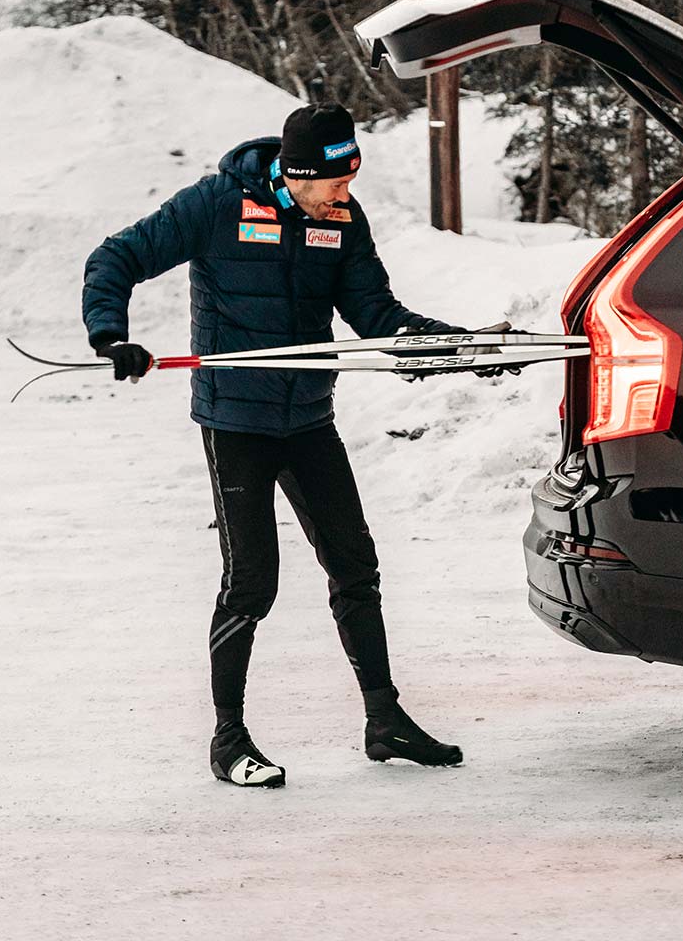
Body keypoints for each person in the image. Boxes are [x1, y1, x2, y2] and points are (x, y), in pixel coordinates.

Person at [82, 102, 507, 788]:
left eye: (351, 182)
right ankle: (229, 740)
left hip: (307, 417)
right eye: (335, 184)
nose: (346, 195)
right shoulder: (218, 204)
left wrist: (455, 348)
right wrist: (112, 336)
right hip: (237, 421)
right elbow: (117, 257)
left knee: (355, 564)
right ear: (300, 173)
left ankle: (384, 719)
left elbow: (377, 316)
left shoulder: (340, 219)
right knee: (253, 582)